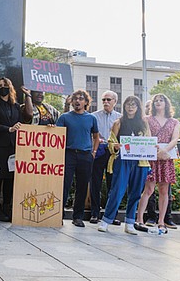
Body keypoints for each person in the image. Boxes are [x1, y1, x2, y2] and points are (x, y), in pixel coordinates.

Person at [98, 96, 151, 235]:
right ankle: (106, 220)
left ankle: (130, 222)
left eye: (134, 104)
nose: (130, 107)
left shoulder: (144, 123)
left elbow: (148, 141)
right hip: (123, 159)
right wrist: (114, 146)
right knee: (117, 190)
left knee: (135, 193)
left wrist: (153, 147)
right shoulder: (118, 123)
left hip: (140, 162)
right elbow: (110, 142)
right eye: (128, 104)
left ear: (138, 107)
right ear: (124, 106)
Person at [136, 94, 180, 234]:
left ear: (166, 103)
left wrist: (164, 150)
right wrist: (156, 150)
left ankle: (161, 221)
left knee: (164, 190)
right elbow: (145, 136)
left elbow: (175, 138)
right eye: (156, 101)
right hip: (151, 156)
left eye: (161, 100)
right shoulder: (147, 119)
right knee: (148, 189)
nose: (158, 103)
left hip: (166, 157)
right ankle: (139, 218)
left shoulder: (174, 122)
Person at [56, 89, 99, 227]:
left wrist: (94, 152)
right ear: (72, 101)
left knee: (82, 187)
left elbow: (96, 136)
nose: (77, 101)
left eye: (81, 99)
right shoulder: (64, 117)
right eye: (75, 98)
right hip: (68, 154)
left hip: (85, 155)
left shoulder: (91, 118)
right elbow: (57, 134)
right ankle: (58, 215)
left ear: (86, 102)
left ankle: (78, 217)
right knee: (64, 185)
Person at [0, 77, 28, 222]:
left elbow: (25, 120)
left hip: (13, 148)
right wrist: (9, 129)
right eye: (0, 86)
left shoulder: (16, 106)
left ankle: (7, 206)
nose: (2, 88)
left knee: (9, 179)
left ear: (10, 87)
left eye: (5, 85)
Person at [90, 90, 122, 224]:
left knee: (112, 184)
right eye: (103, 100)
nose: (106, 102)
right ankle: (94, 214)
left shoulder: (120, 118)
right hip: (98, 151)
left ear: (115, 101)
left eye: (109, 100)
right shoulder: (94, 116)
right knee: (95, 183)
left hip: (113, 153)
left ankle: (111, 215)